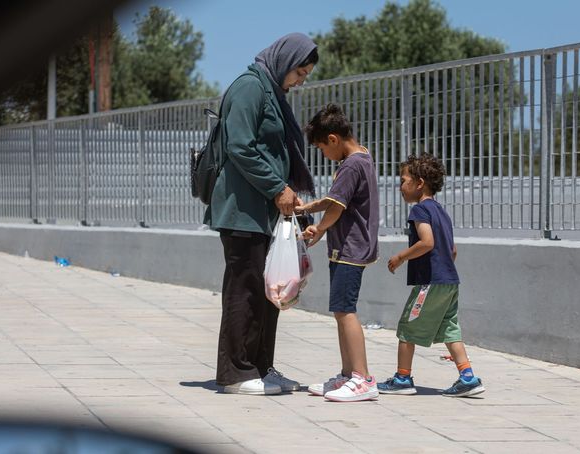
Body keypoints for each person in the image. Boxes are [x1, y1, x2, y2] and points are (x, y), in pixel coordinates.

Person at [204, 33, 318, 395]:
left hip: (264, 212)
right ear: (285, 61)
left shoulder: (271, 91)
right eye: (299, 72)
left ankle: (260, 367)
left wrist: (289, 198)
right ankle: (236, 372)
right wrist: (276, 187)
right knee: (246, 290)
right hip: (243, 210)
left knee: (270, 292)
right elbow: (241, 145)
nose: (300, 81)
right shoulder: (249, 88)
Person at [378, 153, 485, 397]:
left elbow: (427, 242)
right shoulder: (441, 212)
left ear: (419, 183)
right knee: (449, 328)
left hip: (430, 284)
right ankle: (467, 376)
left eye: (403, 180)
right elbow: (452, 249)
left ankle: (402, 379)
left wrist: (401, 257)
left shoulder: (419, 210)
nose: (400, 187)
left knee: (407, 328)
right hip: (449, 282)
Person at [296, 104, 379, 402]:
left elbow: (337, 207)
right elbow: (335, 198)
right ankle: (348, 375)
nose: (322, 154)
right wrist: (306, 208)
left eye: (321, 148)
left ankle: (363, 379)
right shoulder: (362, 157)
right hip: (348, 248)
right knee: (340, 310)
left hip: (350, 249)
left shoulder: (350, 165)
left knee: (346, 311)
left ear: (333, 139)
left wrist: (318, 229)